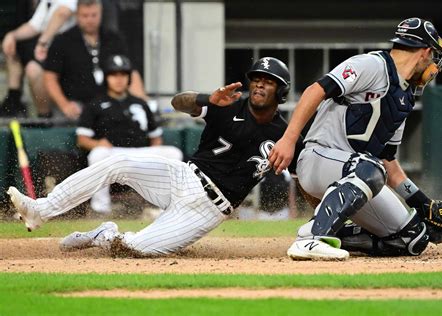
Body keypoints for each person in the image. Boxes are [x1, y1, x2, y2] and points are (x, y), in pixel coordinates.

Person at [7, 57, 305, 257]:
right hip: (184, 176)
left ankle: (104, 232)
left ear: (281, 91)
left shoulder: (286, 134)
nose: (259, 84)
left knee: (133, 248)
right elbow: (179, 103)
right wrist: (206, 99)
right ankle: (41, 210)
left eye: (268, 80)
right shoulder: (227, 103)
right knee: (114, 161)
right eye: (256, 78)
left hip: (210, 209)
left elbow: (305, 178)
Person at [269, 17, 442, 260]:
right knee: (370, 168)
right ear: (425, 52)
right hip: (318, 159)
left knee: (412, 238)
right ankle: (311, 238)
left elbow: (388, 161)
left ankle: (334, 231)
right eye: (434, 57)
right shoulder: (371, 65)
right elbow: (316, 90)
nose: (435, 66)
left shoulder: (405, 96)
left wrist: (422, 203)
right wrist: (289, 139)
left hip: (359, 174)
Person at [77, 54, 183, 215]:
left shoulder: (140, 103)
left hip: (141, 153)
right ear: (106, 77)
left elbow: (156, 137)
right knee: (97, 154)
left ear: (129, 78)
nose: (119, 79)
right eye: (114, 74)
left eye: (123, 74)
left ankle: (167, 209)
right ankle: (101, 209)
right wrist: (97, 144)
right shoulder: (95, 104)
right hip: (113, 153)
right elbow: (82, 140)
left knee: (173, 153)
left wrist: (155, 158)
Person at [43, 0, 147, 120]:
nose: (90, 20)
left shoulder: (114, 38)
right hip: (75, 106)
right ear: (77, 15)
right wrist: (64, 105)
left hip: (111, 104)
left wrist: (141, 101)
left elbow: (131, 72)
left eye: (94, 15)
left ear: (101, 13)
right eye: (85, 16)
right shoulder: (62, 41)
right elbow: (49, 77)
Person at [0, 0, 77, 117]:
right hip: (49, 52)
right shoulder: (46, 2)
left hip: (72, 53)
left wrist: (43, 42)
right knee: (30, 65)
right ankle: (41, 114)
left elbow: (62, 13)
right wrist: (12, 35)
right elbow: (34, 25)